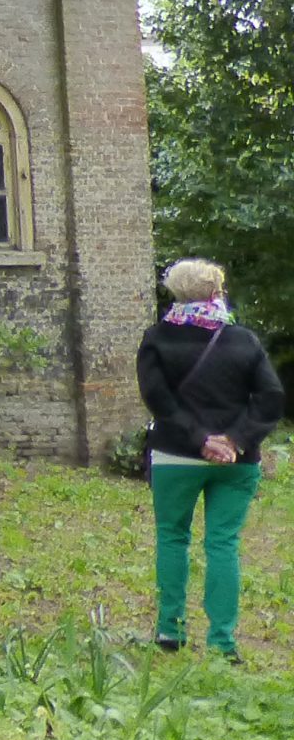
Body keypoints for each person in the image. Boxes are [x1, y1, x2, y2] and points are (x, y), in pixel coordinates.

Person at [138, 258, 284, 659]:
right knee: (222, 543)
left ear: (175, 292)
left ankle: (170, 630)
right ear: (216, 292)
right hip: (236, 463)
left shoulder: (157, 338)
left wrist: (200, 438)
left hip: (175, 454)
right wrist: (234, 440)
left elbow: (157, 398)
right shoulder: (243, 341)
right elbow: (271, 398)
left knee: (172, 538)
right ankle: (223, 642)